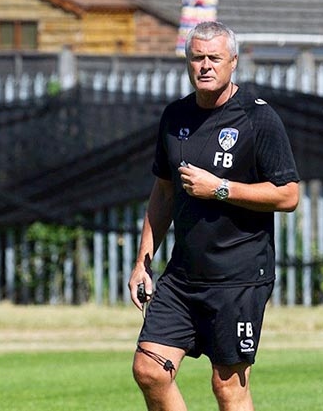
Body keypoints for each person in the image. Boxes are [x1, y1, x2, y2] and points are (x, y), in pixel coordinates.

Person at [128, 21, 300, 411]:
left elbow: (289, 195)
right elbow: (163, 191)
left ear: (233, 62)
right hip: (183, 276)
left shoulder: (259, 119)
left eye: (214, 58)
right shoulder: (175, 117)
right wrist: (143, 262)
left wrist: (219, 187)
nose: (205, 66)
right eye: (197, 58)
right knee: (149, 371)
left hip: (238, 278)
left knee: (227, 387)